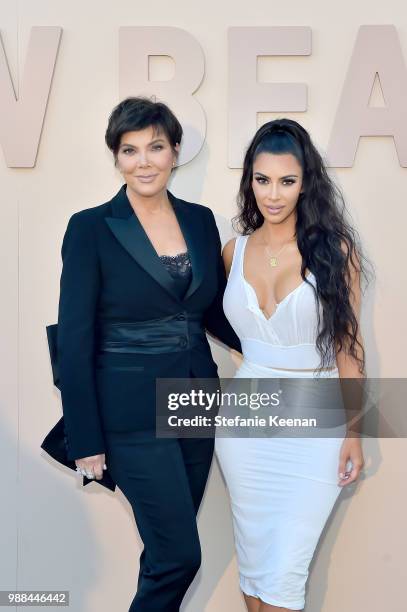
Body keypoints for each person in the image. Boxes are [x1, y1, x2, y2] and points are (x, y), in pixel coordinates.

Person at [43, 96, 241, 611]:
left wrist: (287, 345)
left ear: (176, 152)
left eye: (156, 147)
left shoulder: (200, 221)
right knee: (179, 556)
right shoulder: (90, 227)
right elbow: (75, 337)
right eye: (129, 150)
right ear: (116, 158)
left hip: (196, 400)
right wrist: (86, 436)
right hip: (128, 411)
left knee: (162, 554)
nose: (144, 161)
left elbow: (213, 312)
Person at [215, 119, 368, 612]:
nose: (273, 194)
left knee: (284, 578)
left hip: (313, 427)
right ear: (249, 181)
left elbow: (349, 347)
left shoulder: (333, 253)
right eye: (262, 180)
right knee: (256, 572)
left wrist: (354, 433)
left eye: (287, 181)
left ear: (306, 183)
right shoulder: (233, 252)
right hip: (245, 423)